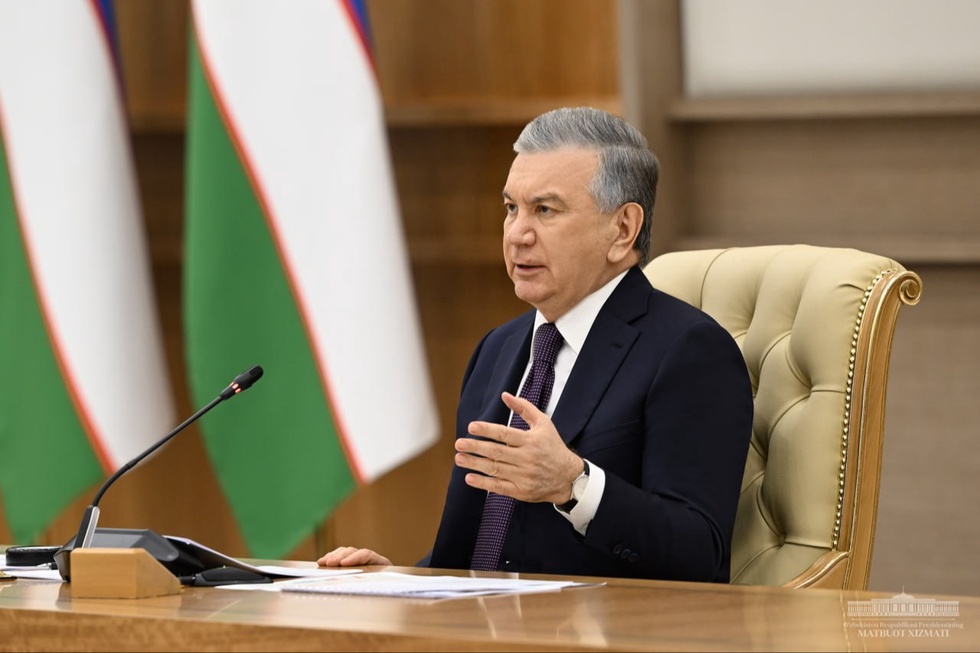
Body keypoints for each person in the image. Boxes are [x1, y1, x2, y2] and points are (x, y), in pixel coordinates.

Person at [318, 107, 753, 582]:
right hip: (478, 619)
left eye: (545, 210)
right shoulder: (497, 348)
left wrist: (575, 485)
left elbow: (699, 553)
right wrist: (400, 582)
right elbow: (475, 549)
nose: (517, 235)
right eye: (511, 208)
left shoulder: (689, 350)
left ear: (623, 229)